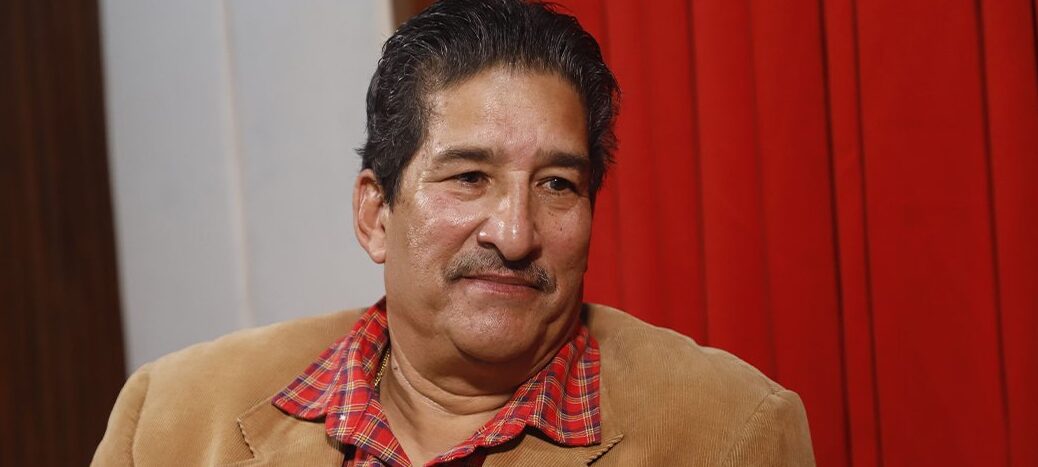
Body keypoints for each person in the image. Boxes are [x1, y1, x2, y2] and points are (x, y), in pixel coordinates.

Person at [93, 0, 815, 465]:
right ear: (375, 214)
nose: (515, 233)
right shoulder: (172, 421)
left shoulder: (731, 431)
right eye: (469, 176)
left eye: (557, 185)